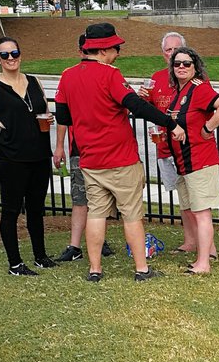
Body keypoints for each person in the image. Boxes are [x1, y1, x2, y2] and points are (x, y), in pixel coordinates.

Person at [53, 22, 181, 283]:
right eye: (116, 48)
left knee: (96, 214)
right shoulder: (110, 74)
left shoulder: (67, 75)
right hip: (121, 159)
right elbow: (134, 104)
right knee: (131, 214)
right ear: (103, 50)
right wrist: (170, 123)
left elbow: (64, 115)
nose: (118, 52)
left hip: (90, 160)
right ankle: (141, 269)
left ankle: (95, 270)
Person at [0, 37, 56, 277]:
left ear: (20, 54)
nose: (11, 58)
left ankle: (40, 256)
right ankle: (15, 264)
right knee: (10, 211)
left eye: (14, 52)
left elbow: (44, 110)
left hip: (40, 155)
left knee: (36, 209)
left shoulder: (34, 81)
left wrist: (48, 118)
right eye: (5, 55)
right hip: (13, 159)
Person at [141, 32, 219, 262]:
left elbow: (217, 106)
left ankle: (208, 251)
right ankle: (190, 241)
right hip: (167, 150)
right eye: (169, 52)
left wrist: (207, 129)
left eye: (179, 52)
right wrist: (142, 98)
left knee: (200, 205)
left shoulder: (197, 83)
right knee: (185, 200)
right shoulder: (157, 79)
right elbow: (154, 110)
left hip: (194, 153)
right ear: (163, 54)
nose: (175, 58)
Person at [156, 46, 219, 275]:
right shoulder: (179, 91)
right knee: (191, 209)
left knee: (201, 213)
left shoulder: (199, 88)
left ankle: (203, 264)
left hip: (200, 161)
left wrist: (208, 128)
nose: (181, 67)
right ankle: (208, 252)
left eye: (186, 64)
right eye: (177, 63)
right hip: (184, 162)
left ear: (195, 67)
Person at [54, 33, 114, 263]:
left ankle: (99, 239)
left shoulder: (108, 75)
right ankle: (75, 245)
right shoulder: (70, 76)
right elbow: (63, 117)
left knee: (103, 198)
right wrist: (59, 146)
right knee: (80, 198)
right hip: (80, 148)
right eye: (83, 50)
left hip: (105, 149)